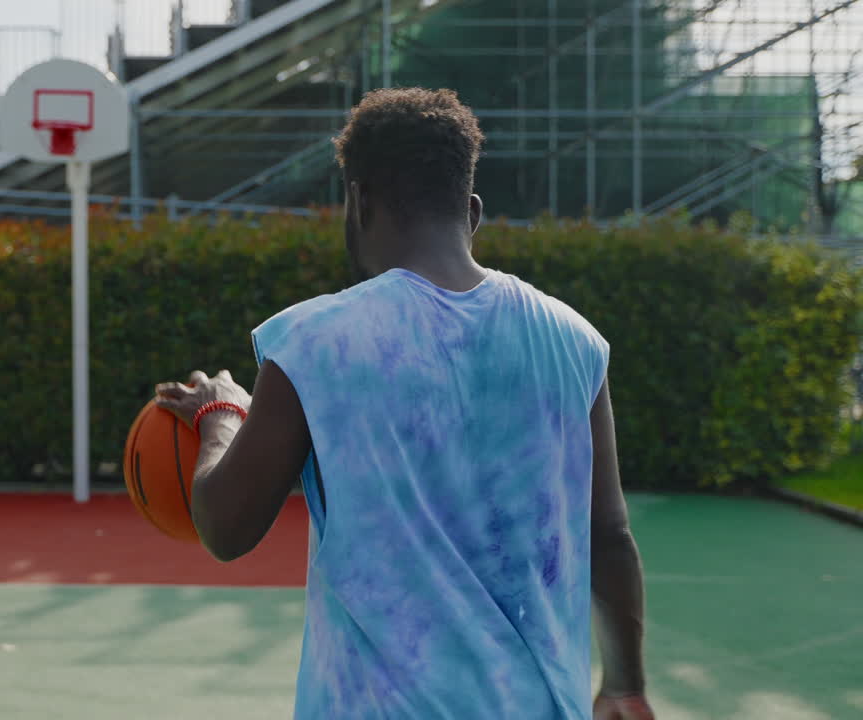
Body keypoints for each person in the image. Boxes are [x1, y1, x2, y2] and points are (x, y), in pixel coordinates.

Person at [153, 88, 653, 720]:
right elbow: (609, 534)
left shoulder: (315, 341)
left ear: (358, 204)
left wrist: (220, 415)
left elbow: (226, 529)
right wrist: (625, 684)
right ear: (472, 212)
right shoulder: (575, 341)